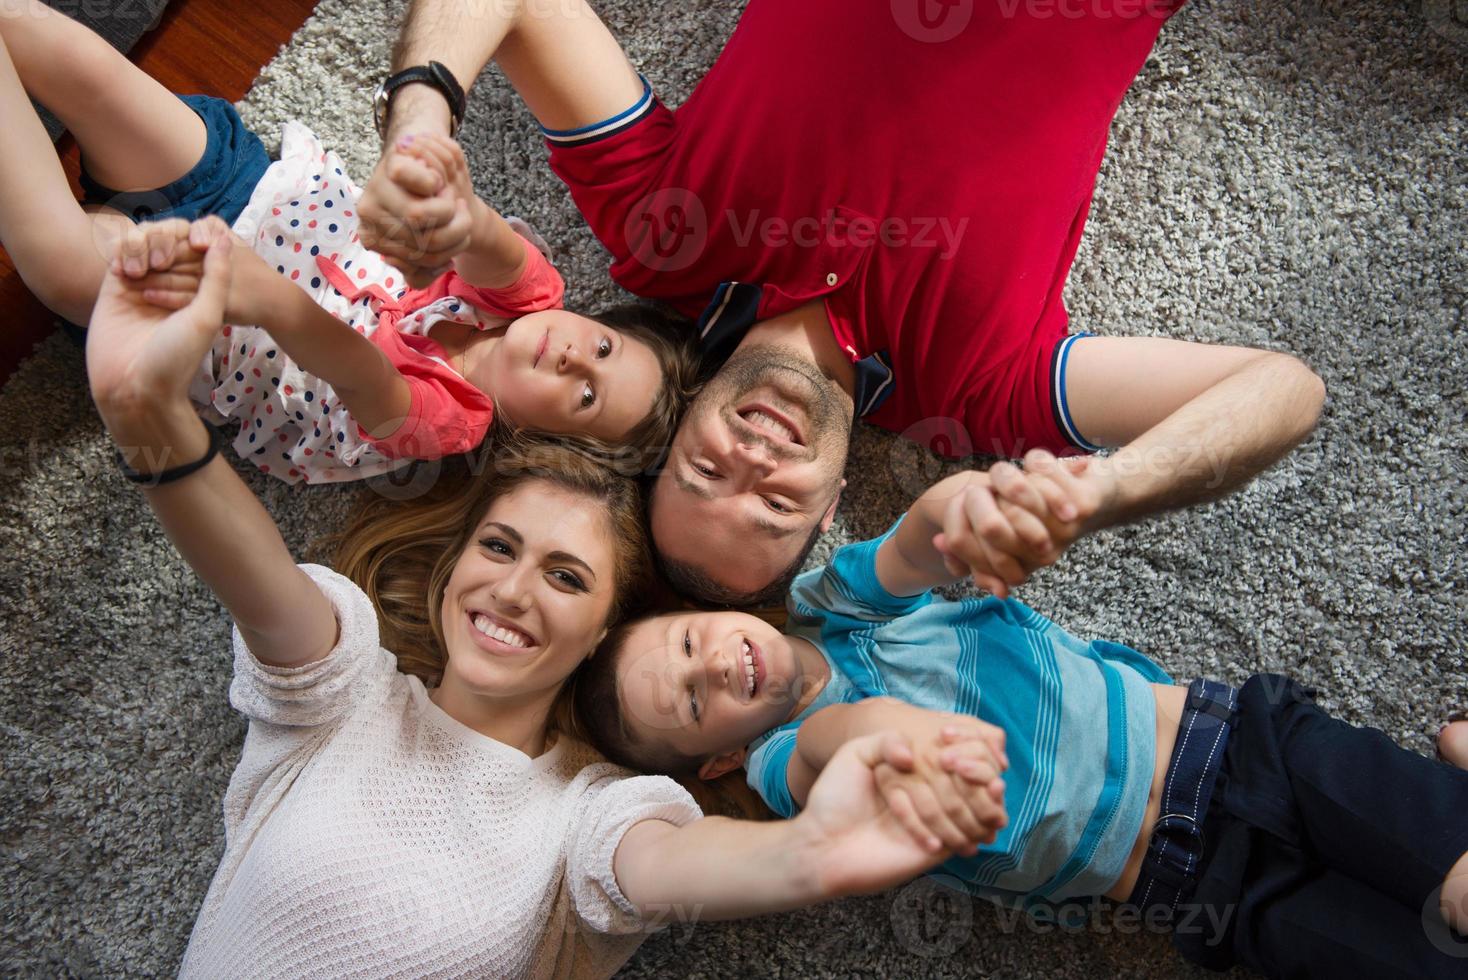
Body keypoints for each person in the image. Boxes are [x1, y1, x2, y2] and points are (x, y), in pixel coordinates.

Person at [81, 218, 1010, 977]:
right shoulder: (342, 694)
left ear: (607, 626)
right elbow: (255, 583)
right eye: (499, 547)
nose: (514, 591)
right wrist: (143, 411)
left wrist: (813, 855)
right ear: (452, 569)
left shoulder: (592, 810)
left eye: (566, 577)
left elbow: (669, 869)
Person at [357, 0, 1326, 603]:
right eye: (775, 499)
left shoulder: (664, 239)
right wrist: (1100, 494)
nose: (754, 457)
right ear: (830, 511)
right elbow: (1281, 387)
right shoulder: (978, 394)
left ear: (674, 425)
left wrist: (419, 124)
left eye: (704, 472)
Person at [574, 468, 1468, 978]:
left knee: (1433, 845)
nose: (717, 664)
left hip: (1231, 743)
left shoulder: (835, 610)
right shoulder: (783, 765)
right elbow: (822, 754)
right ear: (723, 753)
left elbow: (917, 539)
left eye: (692, 639)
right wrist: (882, 735)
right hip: (1192, 884)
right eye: (696, 700)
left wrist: (968, 507)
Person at [0, 3, 699, 485]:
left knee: (66, 266)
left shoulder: (452, 424)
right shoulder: (532, 298)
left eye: (584, 397)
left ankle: (99, 229)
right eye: (603, 349)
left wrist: (254, 290)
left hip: (198, 314)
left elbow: (352, 367)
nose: (577, 359)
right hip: (246, 188)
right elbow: (490, 245)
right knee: (85, 72)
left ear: (543, 442)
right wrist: (452, 205)